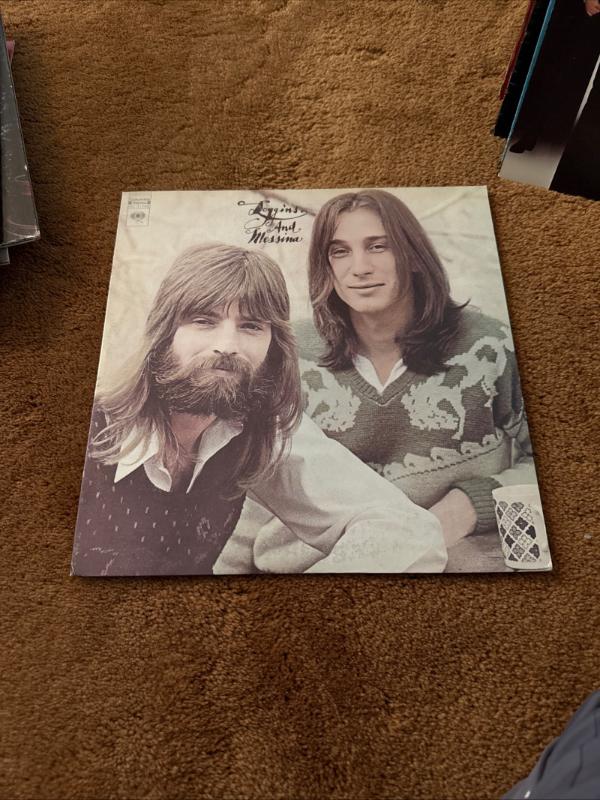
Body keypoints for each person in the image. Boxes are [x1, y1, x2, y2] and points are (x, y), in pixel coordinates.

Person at [71, 243, 447, 576]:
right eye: (203, 321)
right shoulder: (91, 427)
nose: (227, 345)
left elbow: (407, 528)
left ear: (273, 346)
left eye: (251, 326)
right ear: (163, 333)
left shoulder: (263, 428)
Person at [215, 190, 536, 574]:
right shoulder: (287, 353)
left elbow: (558, 469)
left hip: (453, 564)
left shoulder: (489, 346)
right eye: (339, 252)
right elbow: (251, 483)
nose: (360, 268)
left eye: (378, 246)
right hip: (312, 571)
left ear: (413, 255)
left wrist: (471, 505)